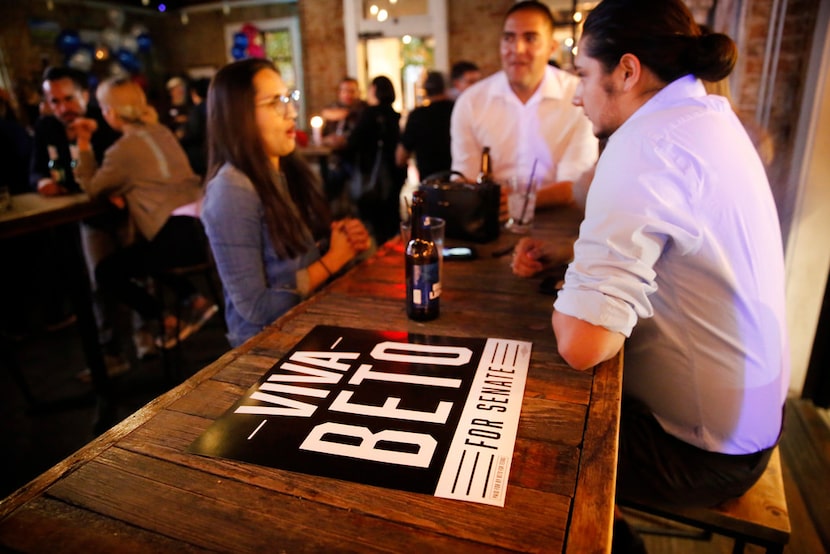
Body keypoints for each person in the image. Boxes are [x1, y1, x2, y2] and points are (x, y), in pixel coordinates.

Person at [512, 0, 788, 548]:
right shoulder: (706, 117)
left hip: (702, 449)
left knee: (516, 445)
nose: (576, 92)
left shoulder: (646, 143)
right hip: (751, 419)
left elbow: (582, 343)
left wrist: (573, 286)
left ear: (628, 71)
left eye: (585, 74)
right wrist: (573, 256)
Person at [201, 59, 371, 348]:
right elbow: (256, 307)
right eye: (274, 102)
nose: (292, 112)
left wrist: (335, 242)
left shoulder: (284, 171)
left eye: (289, 98)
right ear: (238, 114)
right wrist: (333, 260)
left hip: (307, 327)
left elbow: (285, 263)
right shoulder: (232, 188)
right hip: (265, 350)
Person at [72, 77, 218, 350]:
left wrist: (83, 143)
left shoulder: (121, 151)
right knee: (144, 252)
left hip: (175, 239)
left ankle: (165, 320)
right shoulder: (163, 133)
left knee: (107, 271)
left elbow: (93, 187)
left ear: (111, 113)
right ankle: (195, 300)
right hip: (204, 229)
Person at [29, 66, 133, 372]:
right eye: (55, 101)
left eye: (69, 99)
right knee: (97, 281)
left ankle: (146, 338)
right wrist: (42, 183)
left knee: (138, 278)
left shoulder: (106, 120)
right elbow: (35, 169)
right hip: (86, 216)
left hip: (123, 209)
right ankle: (110, 354)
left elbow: (123, 166)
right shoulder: (46, 127)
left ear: (85, 96)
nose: (63, 108)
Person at [451, 1, 598, 208]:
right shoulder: (471, 102)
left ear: (551, 48)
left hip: (558, 219)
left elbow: (574, 184)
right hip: (489, 218)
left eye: (530, 38)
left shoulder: (578, 97)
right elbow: (463, 177)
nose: (517, 49)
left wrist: (520, 201)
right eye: (508, 38)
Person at [340, 75, 407, 244]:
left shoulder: (370, 114)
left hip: (372, 174)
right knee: (391, 215)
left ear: (375, 90)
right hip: (395, 173)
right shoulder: (394, 115)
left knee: (373, 219)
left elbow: (353, 142)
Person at [395, 71, 454, 182]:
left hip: (429, 181)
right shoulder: (457, 109)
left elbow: (400, 157)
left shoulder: (418, 115)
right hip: (457, 180)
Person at [319, 77, 367, 212]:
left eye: (352, 91)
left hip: (357, 158)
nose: (348, 94)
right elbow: (323, 129)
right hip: (333, 157)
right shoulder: (332, 108)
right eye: (345, 91)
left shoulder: (363, 109)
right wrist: (328, 139)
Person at [180, 76, 210, 178]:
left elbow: (194, 133)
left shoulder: (196, 110)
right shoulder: (215, 106)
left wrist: (180, 138)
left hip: (199, 155)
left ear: (194, 93)